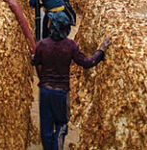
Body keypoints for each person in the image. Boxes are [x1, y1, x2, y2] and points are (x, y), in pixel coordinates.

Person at [32, 13, 111, 150]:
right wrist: (101, 50)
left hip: (45, 91)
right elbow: (87, 62)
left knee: (46, 127)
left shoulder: (43, 45)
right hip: (61, 93)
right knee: (62, 124)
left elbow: (35, 61)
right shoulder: (70, 46)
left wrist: (32, 57)